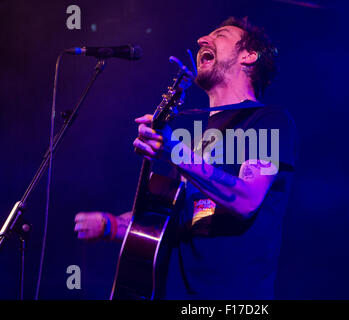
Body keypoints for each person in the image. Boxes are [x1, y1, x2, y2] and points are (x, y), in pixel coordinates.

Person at [74, 16, 297, 299]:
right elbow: (175, 217)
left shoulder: (268, 119)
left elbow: (246, 200)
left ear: (248, 56)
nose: (202, 38)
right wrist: (111, 225)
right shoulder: (197, 143)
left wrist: (174, 151)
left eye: (221, 35)